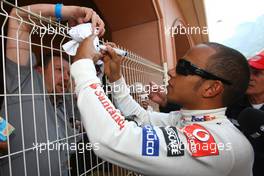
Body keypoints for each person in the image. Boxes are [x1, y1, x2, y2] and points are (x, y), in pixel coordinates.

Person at [70, 35, 254, 176]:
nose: (172, 71)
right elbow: (140, 117)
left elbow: (113, 138)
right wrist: (116, 78)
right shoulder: (189, 120)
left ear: (211, 88)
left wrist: (82, 67)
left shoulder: (217, 144)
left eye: (184, 67)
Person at [0, 4, 104, 176]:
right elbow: (19, 17)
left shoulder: (65, 108)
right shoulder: (24, 83)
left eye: (68, 73)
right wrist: (70, 12)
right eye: (58, 70)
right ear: (39, 71)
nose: (65, 77)